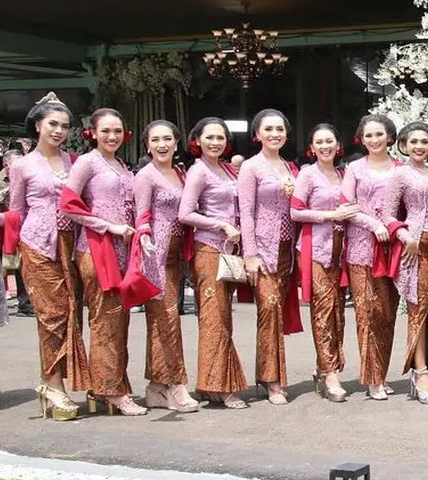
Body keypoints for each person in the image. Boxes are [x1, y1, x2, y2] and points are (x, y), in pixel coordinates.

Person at [8, 94, 86, 420]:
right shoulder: (22, 165)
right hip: (37, 244)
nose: (59, 130)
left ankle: (47, 380)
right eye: (53, 124)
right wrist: (10, 254)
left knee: (71, 315)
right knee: (52, 316)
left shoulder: (75, 162)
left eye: (65, 126)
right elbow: (15, 211)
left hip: (71, 244)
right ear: (38, 125)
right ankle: (55, 386)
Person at [62, 108, 142, 416]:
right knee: (105, 318)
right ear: (92, 133)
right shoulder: (86, 163)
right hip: (96, 249)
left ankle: (107, 386)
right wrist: (106, 226)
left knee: (119, 319)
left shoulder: (121, 164)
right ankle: (111, 390)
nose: (112, 136)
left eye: (118, 131)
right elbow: (68, 204)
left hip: (121, 250)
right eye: (106, 131)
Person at [127, 120, 199, 413]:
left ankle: (156, 386)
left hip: (176, 255)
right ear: (147, 145)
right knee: (167, 320)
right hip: (155, 254)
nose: (162, 144)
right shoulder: (146, 176)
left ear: (176, 142)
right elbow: (141, 214)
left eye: (167, 139)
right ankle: (175, 385)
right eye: (155, 140)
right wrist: (143, 237)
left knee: (164, 320)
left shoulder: (180, 173)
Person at [180, 117, 247, 409]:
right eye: (209, 137)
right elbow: (185, 213)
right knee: (214, 319)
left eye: (220, 137)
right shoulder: (198, 171)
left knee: (223, 318)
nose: (215, 142)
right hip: (208, 249)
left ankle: (211, 383)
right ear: (197, 140)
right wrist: (220, 225)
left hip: (228, 251)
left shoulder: (227, 170)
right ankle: (219, 386)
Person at [237, 108, 302, 406]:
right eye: (269, 129)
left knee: (276, 312)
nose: (275, 134)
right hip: (262, 248)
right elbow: (245, 213)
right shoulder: (251, 168)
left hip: (287, 249)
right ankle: (272, 379)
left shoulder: (290, 167)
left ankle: (268, 375)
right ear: (258, 134)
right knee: (269, 310)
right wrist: (249, 253)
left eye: (280, 129)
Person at [292, 124, 359, 402]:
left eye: (329, 140)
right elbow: (295, 212)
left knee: (338, 312)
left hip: (341, 251)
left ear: (338, 143)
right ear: (312, 146)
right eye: (319, 141)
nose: (325, 146)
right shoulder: (308, 174)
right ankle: (330, 373)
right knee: (322, 311)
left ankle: (326, 368)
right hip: (315, 249)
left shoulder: (345, 173)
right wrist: (330, 216)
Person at [383, 121, 428, 404]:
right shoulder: (400, 175)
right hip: (415, 248)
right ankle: (420, 372)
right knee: (418, 308)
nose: (419, 146)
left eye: (424, 141)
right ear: (404, 145)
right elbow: (387, 213)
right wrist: (405, 235)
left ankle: (421, 367)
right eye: (413, 141)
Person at [343, 114, 400, 401]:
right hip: (362, 247)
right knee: (367, 313)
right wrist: (374, 224)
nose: (374, 140)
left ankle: (382, 371)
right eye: (369, 136)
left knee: (387, 312)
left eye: (379, 134)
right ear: (361, 139)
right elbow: (347, 206)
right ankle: (372, 378)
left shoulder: (401, 168)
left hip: (394, 248)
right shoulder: (354, 168)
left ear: (390, 136)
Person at [0, 149, 33, 317]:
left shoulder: (27, 177)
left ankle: (26, 303)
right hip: (2, 229)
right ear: (7, 164)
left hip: (24, 227)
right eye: (17, 162)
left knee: (24, 266)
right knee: (4, 267)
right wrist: (8, 190)